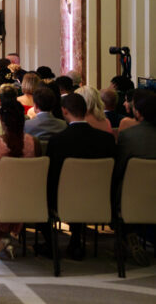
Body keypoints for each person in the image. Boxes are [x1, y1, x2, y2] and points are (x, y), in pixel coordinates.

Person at [44, 93, 116, 260]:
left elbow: (51, 176)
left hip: (63, 199)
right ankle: (75, 239)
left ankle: (50, 244)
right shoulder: (106, 140)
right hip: (100, 199)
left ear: (64, 111)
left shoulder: (57, 141)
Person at [0, 100, 39, 258]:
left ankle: (0, 236)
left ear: (1, 120)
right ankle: (5, 236)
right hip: (28, 197)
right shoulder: (34, 143)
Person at [113, 89, 156, 266]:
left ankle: (126, 234)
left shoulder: (129, 136)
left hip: (130, 197)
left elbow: (119, 168)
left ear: (138, 112)